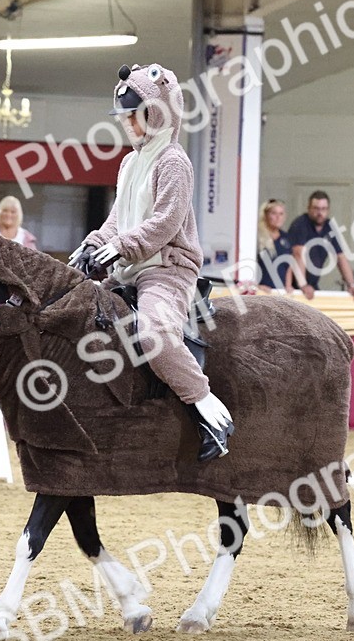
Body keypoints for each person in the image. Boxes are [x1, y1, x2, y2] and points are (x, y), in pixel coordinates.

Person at [69, 63, 234, 462]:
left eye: (134, 115)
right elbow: (117, 219)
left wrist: (122, 245)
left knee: (153, 335)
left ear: (158, 113)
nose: (127, 123)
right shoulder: (130, 163)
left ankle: (207, 407)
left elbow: (166, 222)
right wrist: (93, 244)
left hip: (167, 268)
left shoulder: (173, 161)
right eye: (123, 116)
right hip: (129, 266)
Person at [287, 191, 354, 301]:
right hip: (292, 286)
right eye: (316, 208)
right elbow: (298, 254)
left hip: (311, 285)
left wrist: (352, 285)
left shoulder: (330, 226)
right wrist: (303, 284)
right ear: (308, 208)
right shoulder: (300, 224)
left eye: (323, 209)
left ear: (328, 210)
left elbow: (340, 257)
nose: (320, 212)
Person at [255, 199, 296, 292]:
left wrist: (288, 285)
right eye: (274, 213)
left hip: (280, 292)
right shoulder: (257, 237)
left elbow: (289, 265)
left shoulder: (286, 238)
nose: (278, 217)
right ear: (265, 215)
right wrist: (256, 286)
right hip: (261, 291)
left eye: (281, 214)